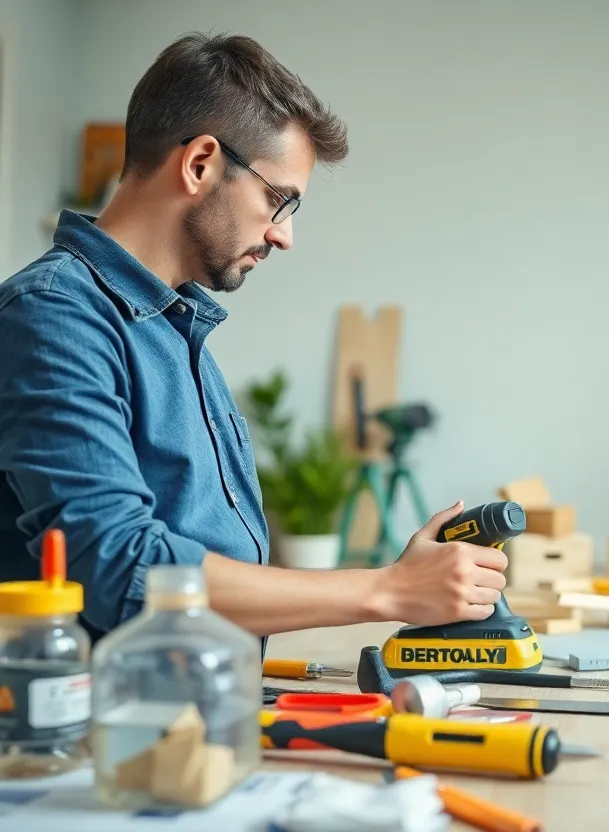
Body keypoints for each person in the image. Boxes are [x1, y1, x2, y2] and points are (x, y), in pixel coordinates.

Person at [0, 32, 507, 644]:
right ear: (200, 164)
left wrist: (395, 584)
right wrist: (388, 589)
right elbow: (121, 567)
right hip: (114, 729)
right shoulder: (56, 316)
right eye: (279, 201)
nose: (283, 236)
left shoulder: (173, 325)